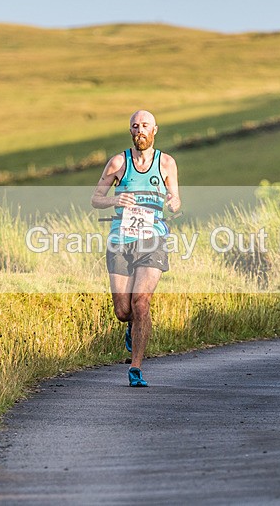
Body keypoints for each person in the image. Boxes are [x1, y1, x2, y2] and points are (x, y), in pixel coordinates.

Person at [91, 110, 181, 387]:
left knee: (141, 303)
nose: (139, 130)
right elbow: (96, 198)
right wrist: (115, 201)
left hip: (153, 240)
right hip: (120, 240)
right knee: (123, 311)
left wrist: (174, 204)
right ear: (130, 131)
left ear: (155, 130)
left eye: (144, 126)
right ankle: (131, 327)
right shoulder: (119, 162)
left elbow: (176, 201)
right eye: (134, 126)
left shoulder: (166, 163)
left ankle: (136, 368)